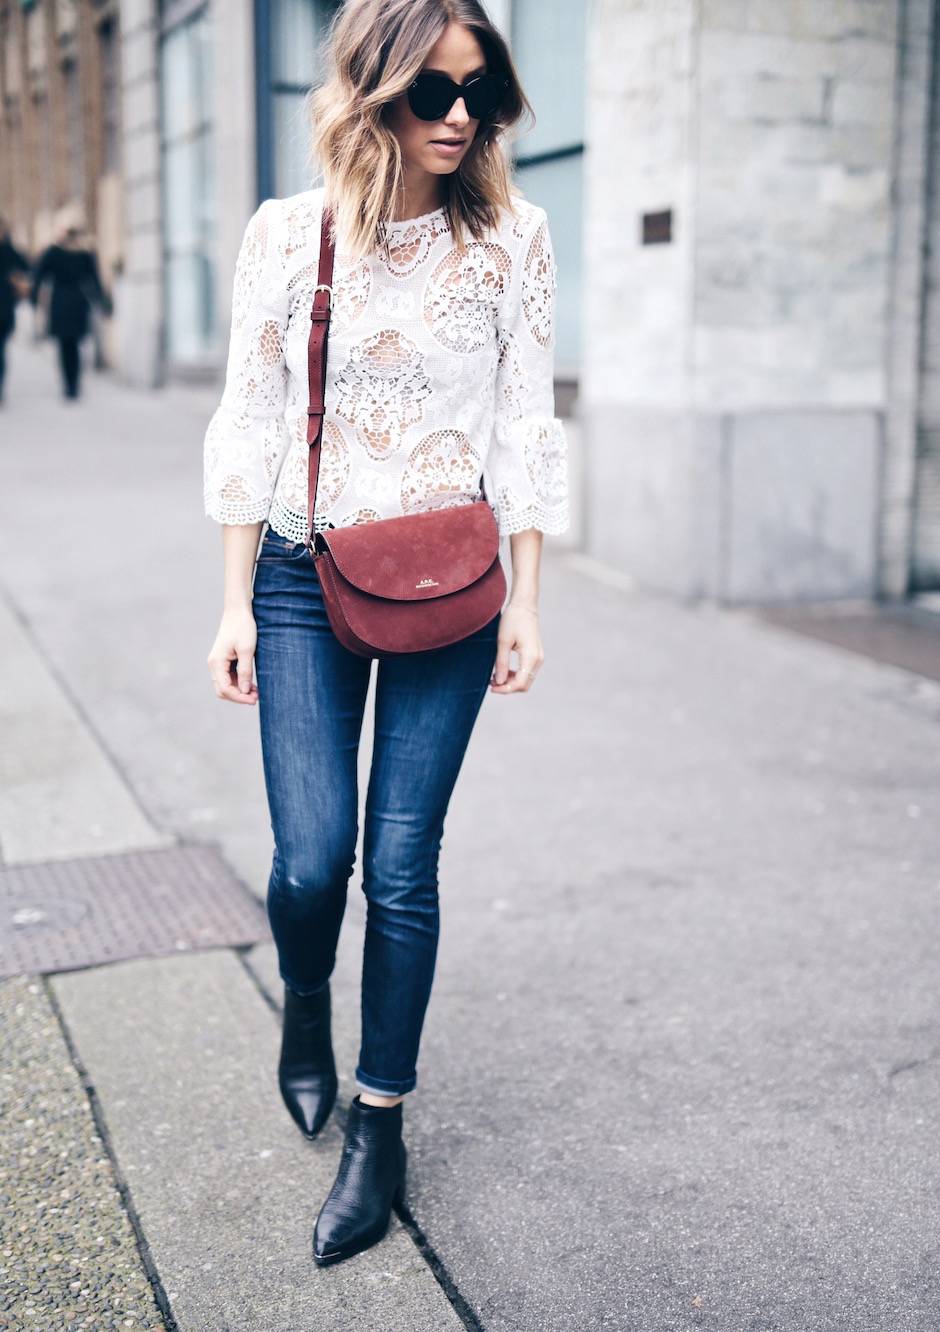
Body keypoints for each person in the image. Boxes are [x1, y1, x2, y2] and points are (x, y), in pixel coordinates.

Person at [203, 0, 569, 1268]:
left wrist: (527, 596)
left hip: (452, 585)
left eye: (482, 93)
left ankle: (379, 1127)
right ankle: (305, 1001)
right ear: (370, 94)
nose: (460, 118)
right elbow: (249, 420)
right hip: (304, 576)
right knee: (313, 863)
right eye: (432, 93)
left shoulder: (513, 239)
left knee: (400, 866)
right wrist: (235, 599)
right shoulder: (285, 236)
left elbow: (526, 422)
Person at [31, 223, 107, 399]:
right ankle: (73, 385)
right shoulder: (84, 254)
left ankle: (69, 384)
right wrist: (101, 302)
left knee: (65, 346)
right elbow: (95, 280)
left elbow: (39, 275)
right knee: (74, 345)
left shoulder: (54, 252)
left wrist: (34, 297)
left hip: (60, 302)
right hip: (77, 303)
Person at [0, 218, 30, 404]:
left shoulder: (11, 251)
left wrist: (17, 279)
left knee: (0, 352)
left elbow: (27, 268)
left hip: (4, 309)